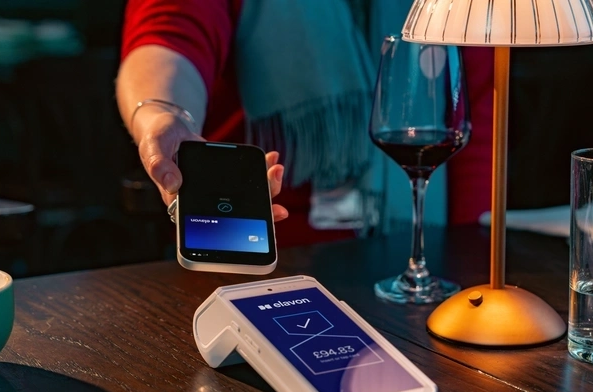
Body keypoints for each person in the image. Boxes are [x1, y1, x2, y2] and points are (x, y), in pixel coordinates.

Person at [117, 0, 494, 248]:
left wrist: (464, 252)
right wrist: (165, 112)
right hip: (251, 249)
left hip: (411, 255)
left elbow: (473, 122)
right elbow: (168, 34)